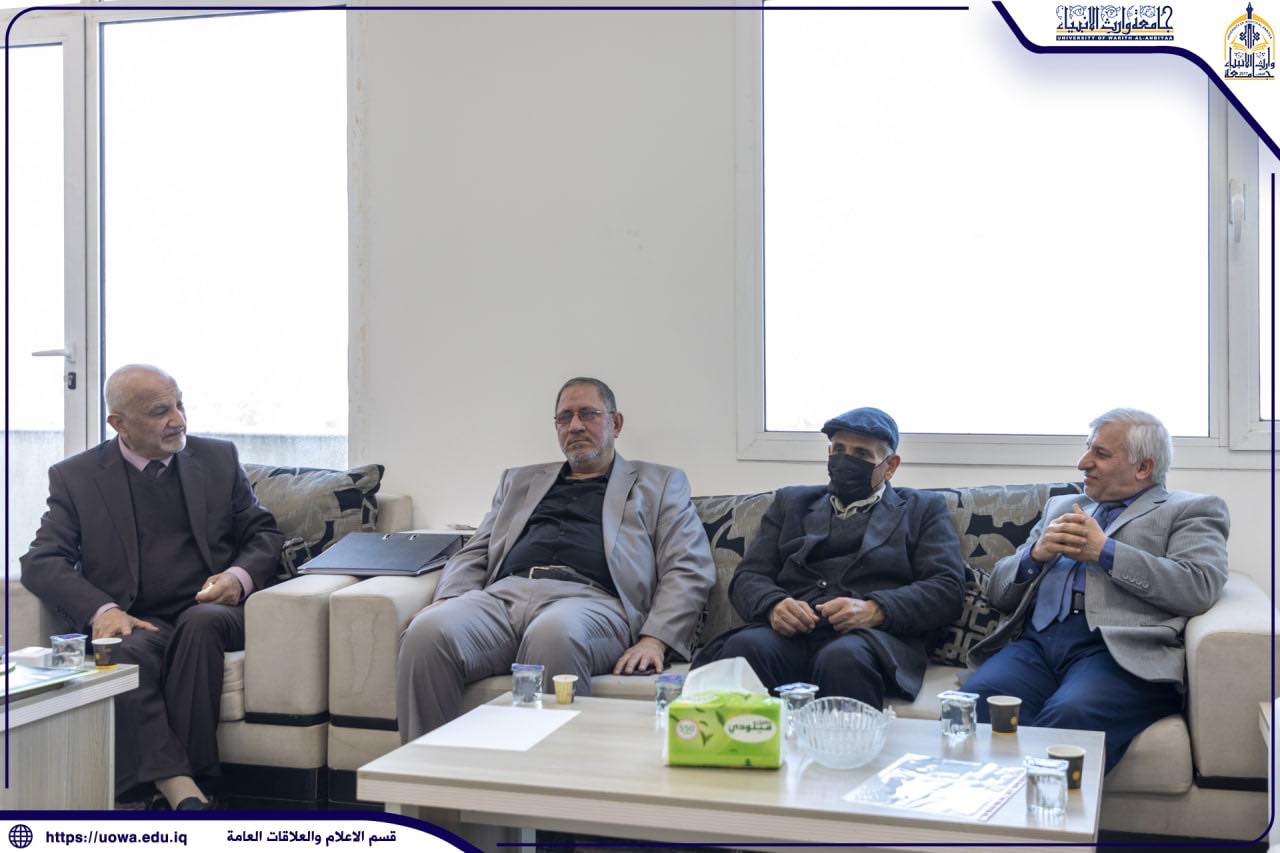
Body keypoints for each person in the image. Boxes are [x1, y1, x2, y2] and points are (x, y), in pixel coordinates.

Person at [20, 364, 283, 810]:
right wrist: (102, 610)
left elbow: (263, 534)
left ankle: (180, 791)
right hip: (138, 619)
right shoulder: (76, 477)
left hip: (212, 609)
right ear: (118, 423)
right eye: (161, 411)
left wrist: (236, 579)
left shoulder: (218, 459)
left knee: (200, 626)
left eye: (179, 404)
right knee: (122, 649)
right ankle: (186, 790)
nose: (178, 419)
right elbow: (41, 560)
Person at [396, 377, 716, 741]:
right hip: (503, 598)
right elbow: (476, 550)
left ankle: (549, 775)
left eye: (588, 414)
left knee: (554, 634)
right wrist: (448, 598)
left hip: (590, 602)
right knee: (426, 634)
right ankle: (426, 775)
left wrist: (654, 639)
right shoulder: (519, 481)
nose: (575, 426)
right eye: (565, 418)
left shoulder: (660, 483)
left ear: (616, 423)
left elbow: (688, 565)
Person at [962, 408, 1229, 772]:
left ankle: (1037, 805)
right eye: (1088, 449)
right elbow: (998, 592)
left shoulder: (1190, 509)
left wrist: (1106, 552)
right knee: (976, 701)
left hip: (1115, 652)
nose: (1083, 463)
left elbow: (1198, 586)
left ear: (1143, 468)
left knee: (1072, 715)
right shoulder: (1060, 507)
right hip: (1036, 644)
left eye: (1100, 453)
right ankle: (982, 803)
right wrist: (1035, 555)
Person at [695, 407, 965, 710]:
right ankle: (751, 739)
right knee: (744, 647)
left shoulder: (922, 509)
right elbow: (749, 577)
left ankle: (847, 743)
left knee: (842, 659)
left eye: (861, 454)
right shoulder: (791, 502)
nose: (846, 460)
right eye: (838, 450)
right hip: (791, 634)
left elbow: (947, 588)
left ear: (890, 466)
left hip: (866, 638)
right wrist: (773, 604)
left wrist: (876, 610)